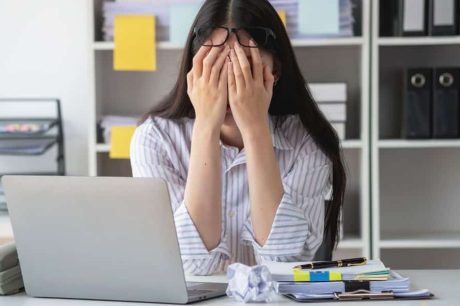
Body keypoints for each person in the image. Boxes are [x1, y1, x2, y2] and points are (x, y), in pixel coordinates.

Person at [130, 0, 346, 275]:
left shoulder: (306, 142)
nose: (231, 88)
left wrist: (255, 128)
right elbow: (192, 266)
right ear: (194, 72)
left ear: (275, 71)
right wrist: (206, 125)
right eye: (215, 69)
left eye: (247, 70)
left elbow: (284, 263)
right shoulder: (155, 140)